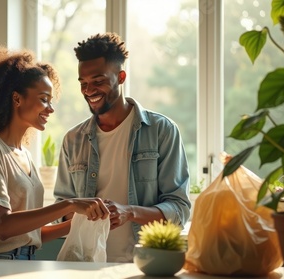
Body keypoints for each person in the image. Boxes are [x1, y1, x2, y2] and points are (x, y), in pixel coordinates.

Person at [0, 46, 109, 260]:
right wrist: (71, 204)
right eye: (44, 99)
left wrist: (81, 221)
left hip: (25, 259)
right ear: (17, 99)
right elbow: (4, 226)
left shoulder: (25, 155)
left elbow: (29, 234)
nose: (51, 108)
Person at [54, 33, 191, 263]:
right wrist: (80, 209)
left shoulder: (162, 131)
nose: (89, 91)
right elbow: (60, 210)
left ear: (121, 77)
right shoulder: (73, 140)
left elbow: (179, 209)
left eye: (98, 81)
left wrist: (130, 212)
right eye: (83, 83)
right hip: (86, 264)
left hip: (143, 264)